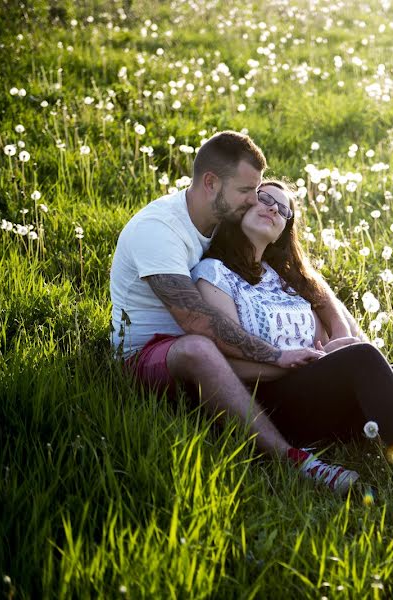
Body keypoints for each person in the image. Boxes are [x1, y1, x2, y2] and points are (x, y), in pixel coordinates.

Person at [190, 179, 393, 491]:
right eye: (265, 199)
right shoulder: (215, 274)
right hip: (269, 403)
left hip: (315, 392)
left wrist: (330, 348)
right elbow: (227, 361)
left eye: (284, 211)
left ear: (282, 233)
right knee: (362, 358)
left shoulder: (282, 278)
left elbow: (327, 315)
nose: (274, 210)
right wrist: (292, 362)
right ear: (241, 204)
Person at [109, 131, 359, 494]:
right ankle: (291, 457)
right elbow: (197, 321)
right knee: (199, 347)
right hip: (148, 353)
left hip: (218, 348)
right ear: (211, 183)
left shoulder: (223, 217)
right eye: (246, 192)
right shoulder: (159, 230)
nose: (254, 200)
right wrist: (278, 355)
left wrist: (339, 330)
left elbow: (303, 274)